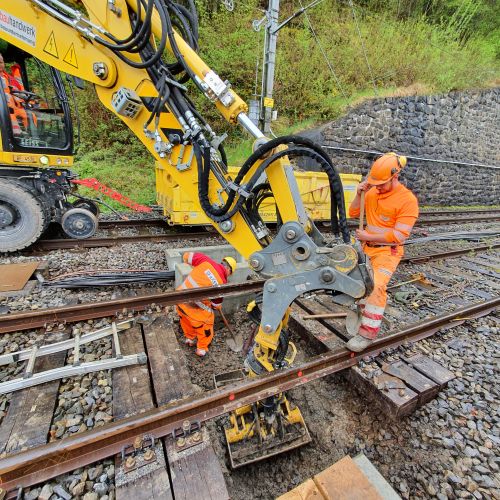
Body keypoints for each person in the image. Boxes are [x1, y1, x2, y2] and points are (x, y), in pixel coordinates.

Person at [346, 152, 419, 352]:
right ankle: (364, 314)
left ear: (395, 177)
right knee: (360, 283)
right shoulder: (371, 193)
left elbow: (399, 236)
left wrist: (367, 237)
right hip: (366, 249)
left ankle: (366, 334)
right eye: (375, 183)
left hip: (388, 253)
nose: (377, 186)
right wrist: (360, 194)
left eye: (382, 183)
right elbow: (353, 213)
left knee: (376, 286)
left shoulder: (407, 200)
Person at [176, 252, 237, 357]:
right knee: (208, 320)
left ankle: (190, 339)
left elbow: (187, 256)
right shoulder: (222, 282)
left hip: (179, 300)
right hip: (194, 308)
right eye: (229, 274)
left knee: (185, 319)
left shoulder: (205, 260)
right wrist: (217, 306)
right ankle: (201, 349)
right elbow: (216, 305)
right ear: (228, 270)